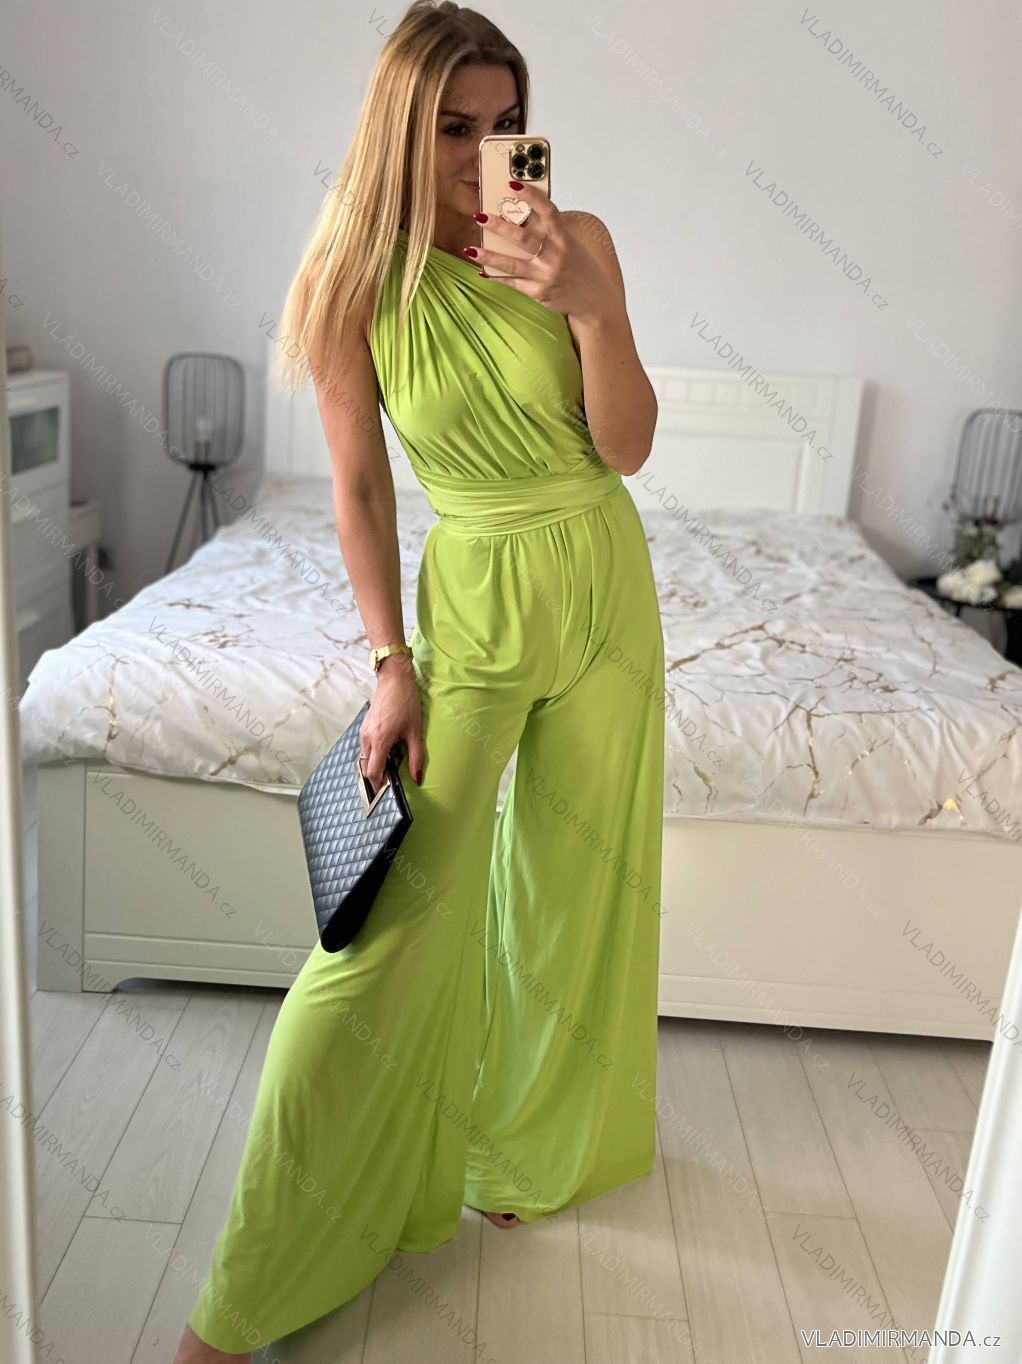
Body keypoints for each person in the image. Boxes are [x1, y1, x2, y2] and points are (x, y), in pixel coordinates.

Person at [174, 2, 664, 1358]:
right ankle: (250, 1290)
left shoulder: (578, 244)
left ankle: (525, 1148)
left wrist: (591, 306)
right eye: (452, 125)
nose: (481, 151)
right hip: (478, 603)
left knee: (577, 883)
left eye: (505, 123)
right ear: (397, 124)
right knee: (382, 936)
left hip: (605, 581)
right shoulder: (353, 279)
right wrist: (391, 664)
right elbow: (358, 490)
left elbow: (625, 449)